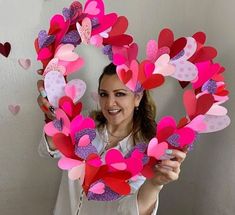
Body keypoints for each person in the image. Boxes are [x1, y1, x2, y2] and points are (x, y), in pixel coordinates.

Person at [37, 63, 187, 215]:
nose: (109, 103)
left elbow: (130, 210)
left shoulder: (145, 151)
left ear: (137, 97)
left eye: (120, 94)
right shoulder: (85, 125)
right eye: (104, 94)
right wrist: (54, 116)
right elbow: (47, 150)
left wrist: (154, 184)